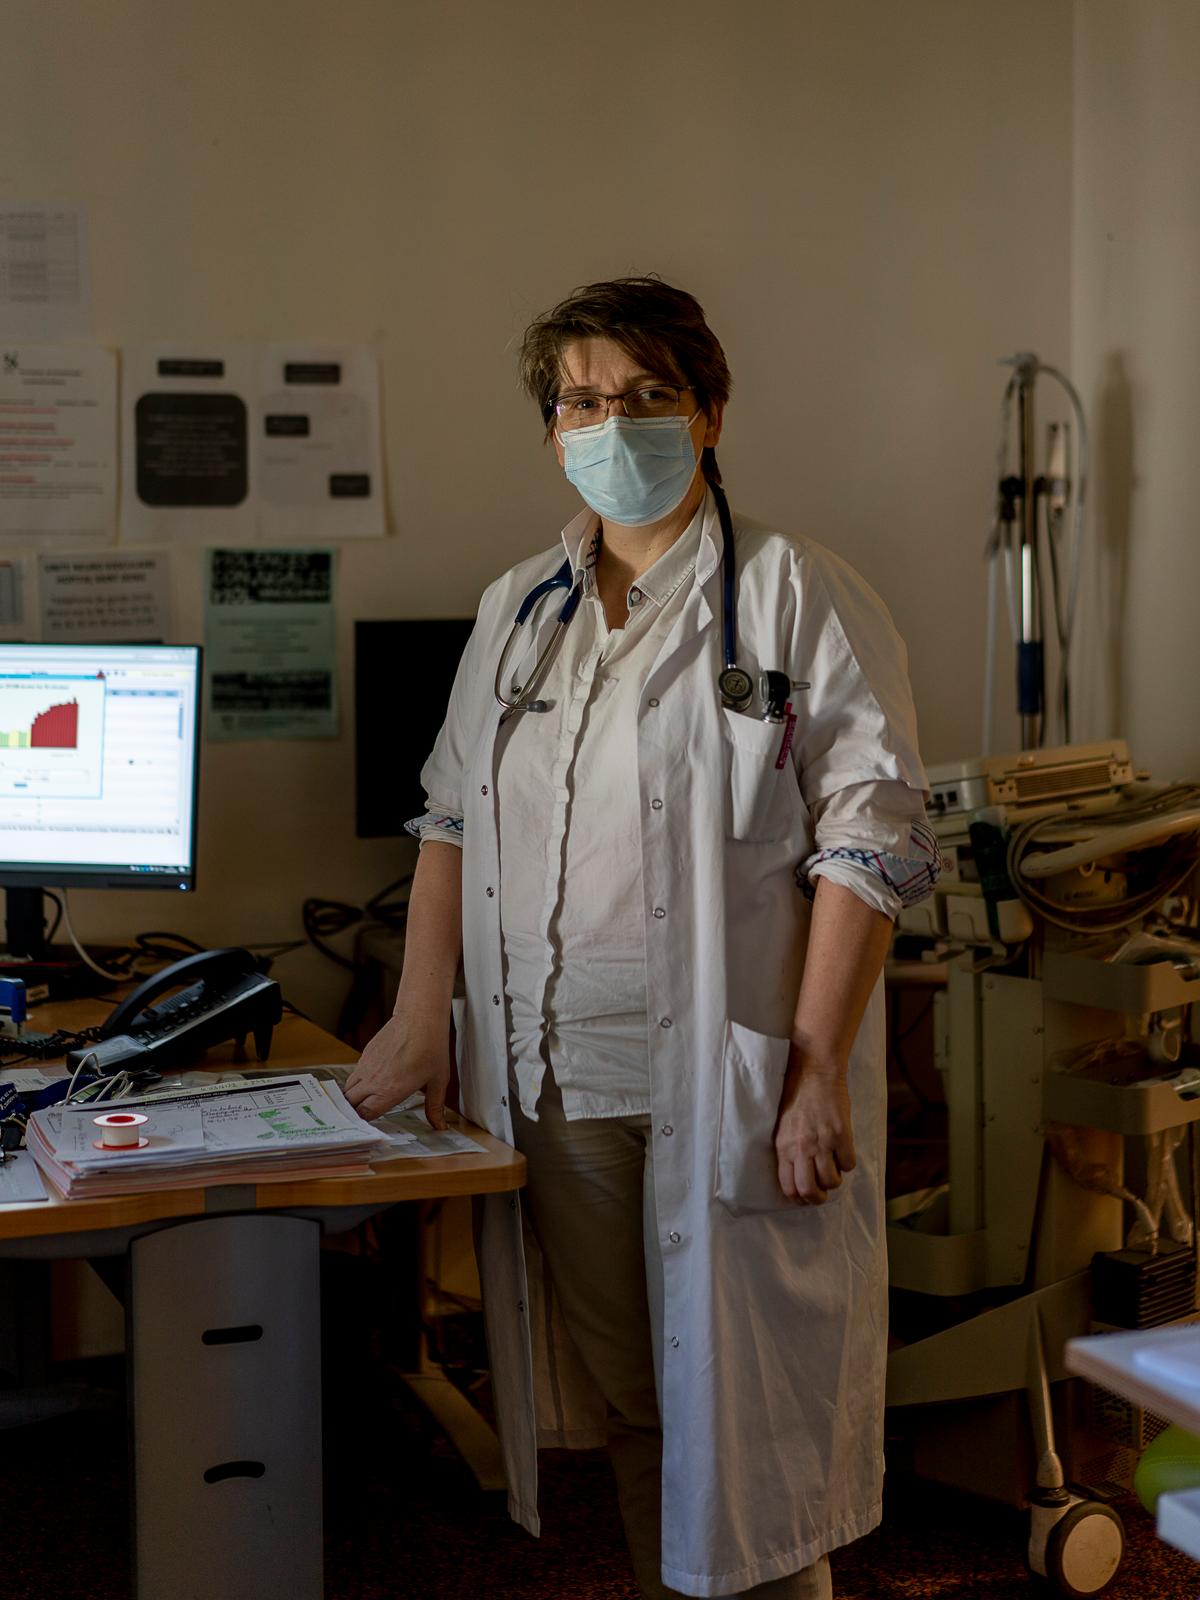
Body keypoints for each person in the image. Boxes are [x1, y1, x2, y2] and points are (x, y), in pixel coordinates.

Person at [346, 277, 939, 1600]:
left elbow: (875, 842)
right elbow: (449, 817)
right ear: (553, 429)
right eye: (583, 401)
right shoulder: (519, 609)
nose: (613, 425)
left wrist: (810, 1074)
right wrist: (415, 1014)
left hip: (727, 1083)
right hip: (557, 1081)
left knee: (749, 1435)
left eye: (647, 397)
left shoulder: (796, 594)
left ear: (709, 411)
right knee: (635, 1405)